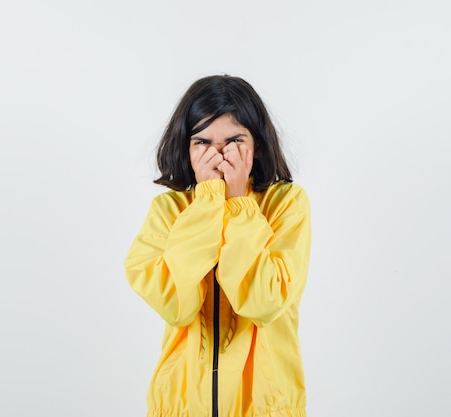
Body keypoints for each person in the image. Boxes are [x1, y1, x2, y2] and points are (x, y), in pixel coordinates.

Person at [124, 75, 311, 417]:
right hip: (180, 407)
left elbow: (263, 302)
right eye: (203, 143)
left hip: (265, 408)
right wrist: (208, 202)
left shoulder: (286, 204)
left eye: (234, 141)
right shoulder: (169, 211)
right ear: (186, 148)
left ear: (257, 146)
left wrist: (239, 204)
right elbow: (175, 304)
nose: (219, 155)